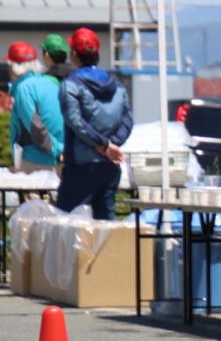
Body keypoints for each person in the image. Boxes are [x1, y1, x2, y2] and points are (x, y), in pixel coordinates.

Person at [56, 28, 131, 219]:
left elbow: (75, 120)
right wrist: (112, 145)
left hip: (80, 166)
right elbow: (128, 120)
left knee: (67, 223)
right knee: (105, 227)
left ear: (74, 54)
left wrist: (104, 145)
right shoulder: (117, 85)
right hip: (110, 166)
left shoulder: (70, 85)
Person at [7, 41, 63, 174]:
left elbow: (35, 127)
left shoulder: (24, 89)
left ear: (14, 67)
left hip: (36, 161)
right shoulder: (48, 82)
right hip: (56, 159)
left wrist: (58, 150)